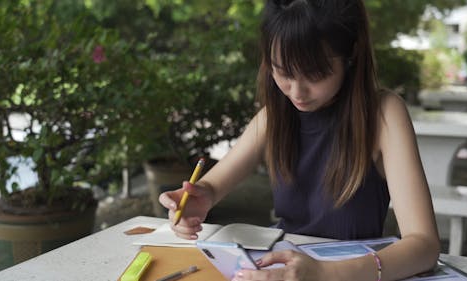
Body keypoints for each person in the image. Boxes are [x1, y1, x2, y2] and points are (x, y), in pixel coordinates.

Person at [159, 0, 440, 280]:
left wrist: (325, 275)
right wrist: (197, 200)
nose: (297, 92)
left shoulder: (383, 115)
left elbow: (424, 245)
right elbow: (210, 187)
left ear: (351, 53)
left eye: (315, 74)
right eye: (283, 72)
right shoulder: (274, 116)